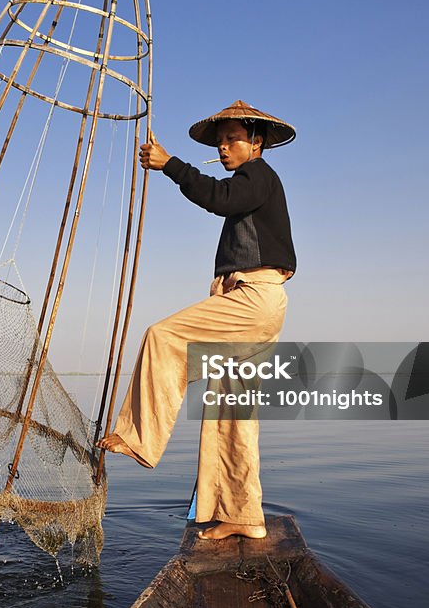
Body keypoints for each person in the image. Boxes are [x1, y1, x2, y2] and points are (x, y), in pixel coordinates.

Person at [96, 99, 297, 540]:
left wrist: (170, 165)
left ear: (256, 144)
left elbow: (220, 198)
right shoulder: (253, 183)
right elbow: (226, 201)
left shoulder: (257, 176)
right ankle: (243, 517)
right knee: (231, 414)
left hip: (254, 300)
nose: (224, 148)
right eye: (221, 141)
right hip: (256, 302)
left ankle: (137, 436)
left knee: (163, 336)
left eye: (233, 140)